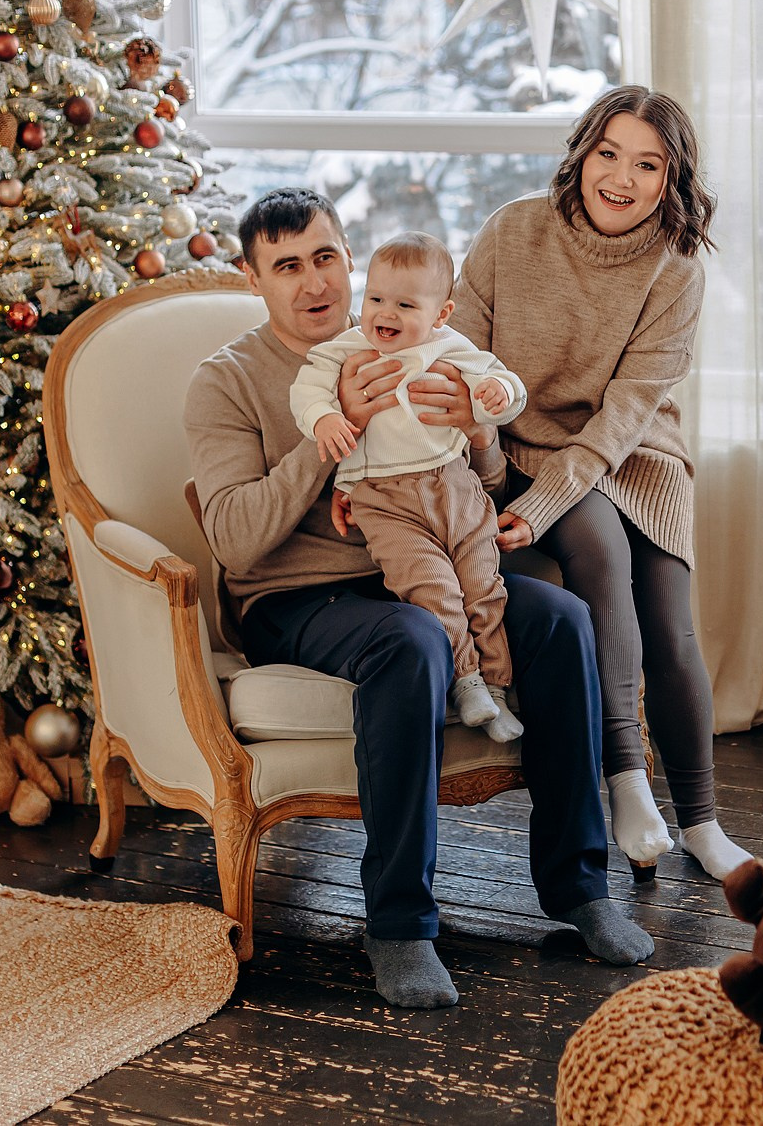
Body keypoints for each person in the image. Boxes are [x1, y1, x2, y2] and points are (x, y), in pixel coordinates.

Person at [185, 188, 653, 1009]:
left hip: (419, 566)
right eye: (286, 266)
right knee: (413, 640)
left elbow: (480, 487)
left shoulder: (408, 341)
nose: (313, 282)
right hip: (297, 600)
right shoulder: (226, 381)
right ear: (252, 278)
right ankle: (400, 924)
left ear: (348, 256)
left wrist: (476, 429)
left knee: (562, 621)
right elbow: (232, 539)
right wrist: (327, 446)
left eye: (326, 256)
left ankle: (580, 888)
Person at [343, 86, 754, 882]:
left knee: (671, 622)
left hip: (633, 454)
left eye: (648, 164)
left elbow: (626, 415)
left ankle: (702, 822)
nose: (622, 178)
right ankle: (629, 784)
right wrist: (484, 448)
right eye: (609, 154)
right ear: (582, 153)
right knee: (599, 554)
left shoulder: (676, 269)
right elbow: (457, 360)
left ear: (672, 180)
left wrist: (543, 505)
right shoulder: (514, 232)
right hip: (517, 443)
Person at [290, 231, 528, 743]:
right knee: (435, 592)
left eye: (404, 304)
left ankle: (498, 689)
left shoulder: (452, 347)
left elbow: (505, 386)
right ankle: (467, 683)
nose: (386, 313)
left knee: (483, 588)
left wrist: (495, 394)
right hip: (383, 499)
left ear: (441, 314)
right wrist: (324, 419)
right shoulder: (347, 348)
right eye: (375, 298)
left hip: (454, 488)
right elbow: (306, 388)